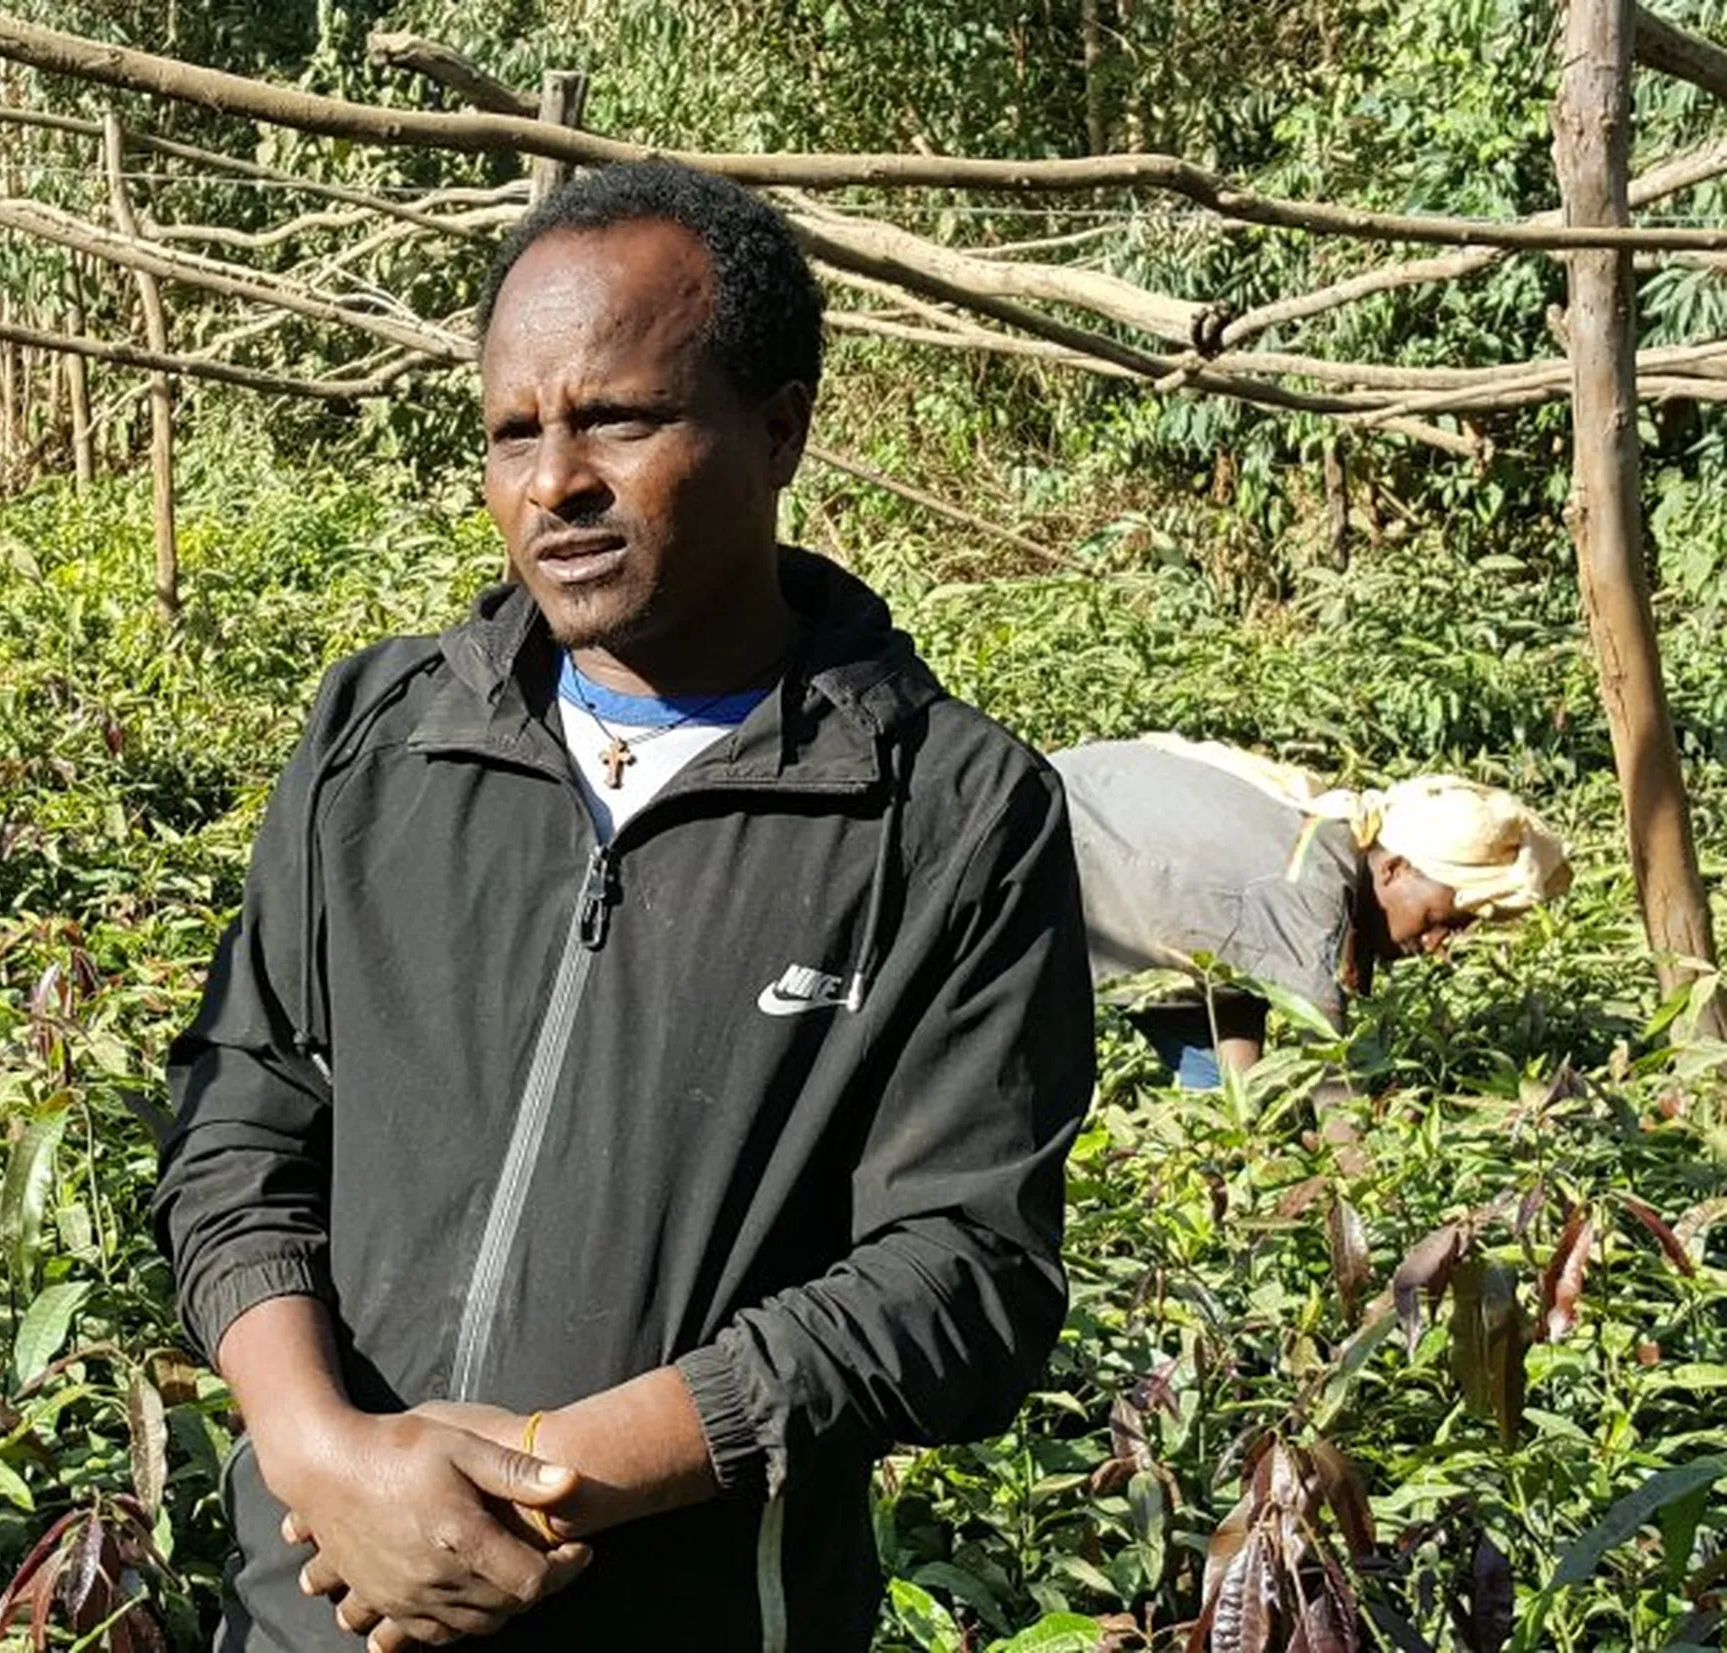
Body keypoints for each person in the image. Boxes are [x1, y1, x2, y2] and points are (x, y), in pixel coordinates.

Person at [153, 159, 1095, 1653]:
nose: (554, 483)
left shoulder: (948, 817)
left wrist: (543, 1483)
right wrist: (330, 1455)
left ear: (781, 426)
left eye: (619, 420)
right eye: (514, 432)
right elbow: (238, 1122)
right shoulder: (381, 739)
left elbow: (964, 1276)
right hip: (319, 1605)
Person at [1047, 734, 1572, 1086]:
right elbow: (1330, 1080)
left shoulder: (1322, 841)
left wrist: (1246, 1129)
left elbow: (1241, 985)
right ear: (1394, 870)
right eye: (1441, 921)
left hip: (1094, 830)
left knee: (1219, 1098)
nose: (1437, 946)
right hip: (1048, 847)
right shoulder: (1313, 897)